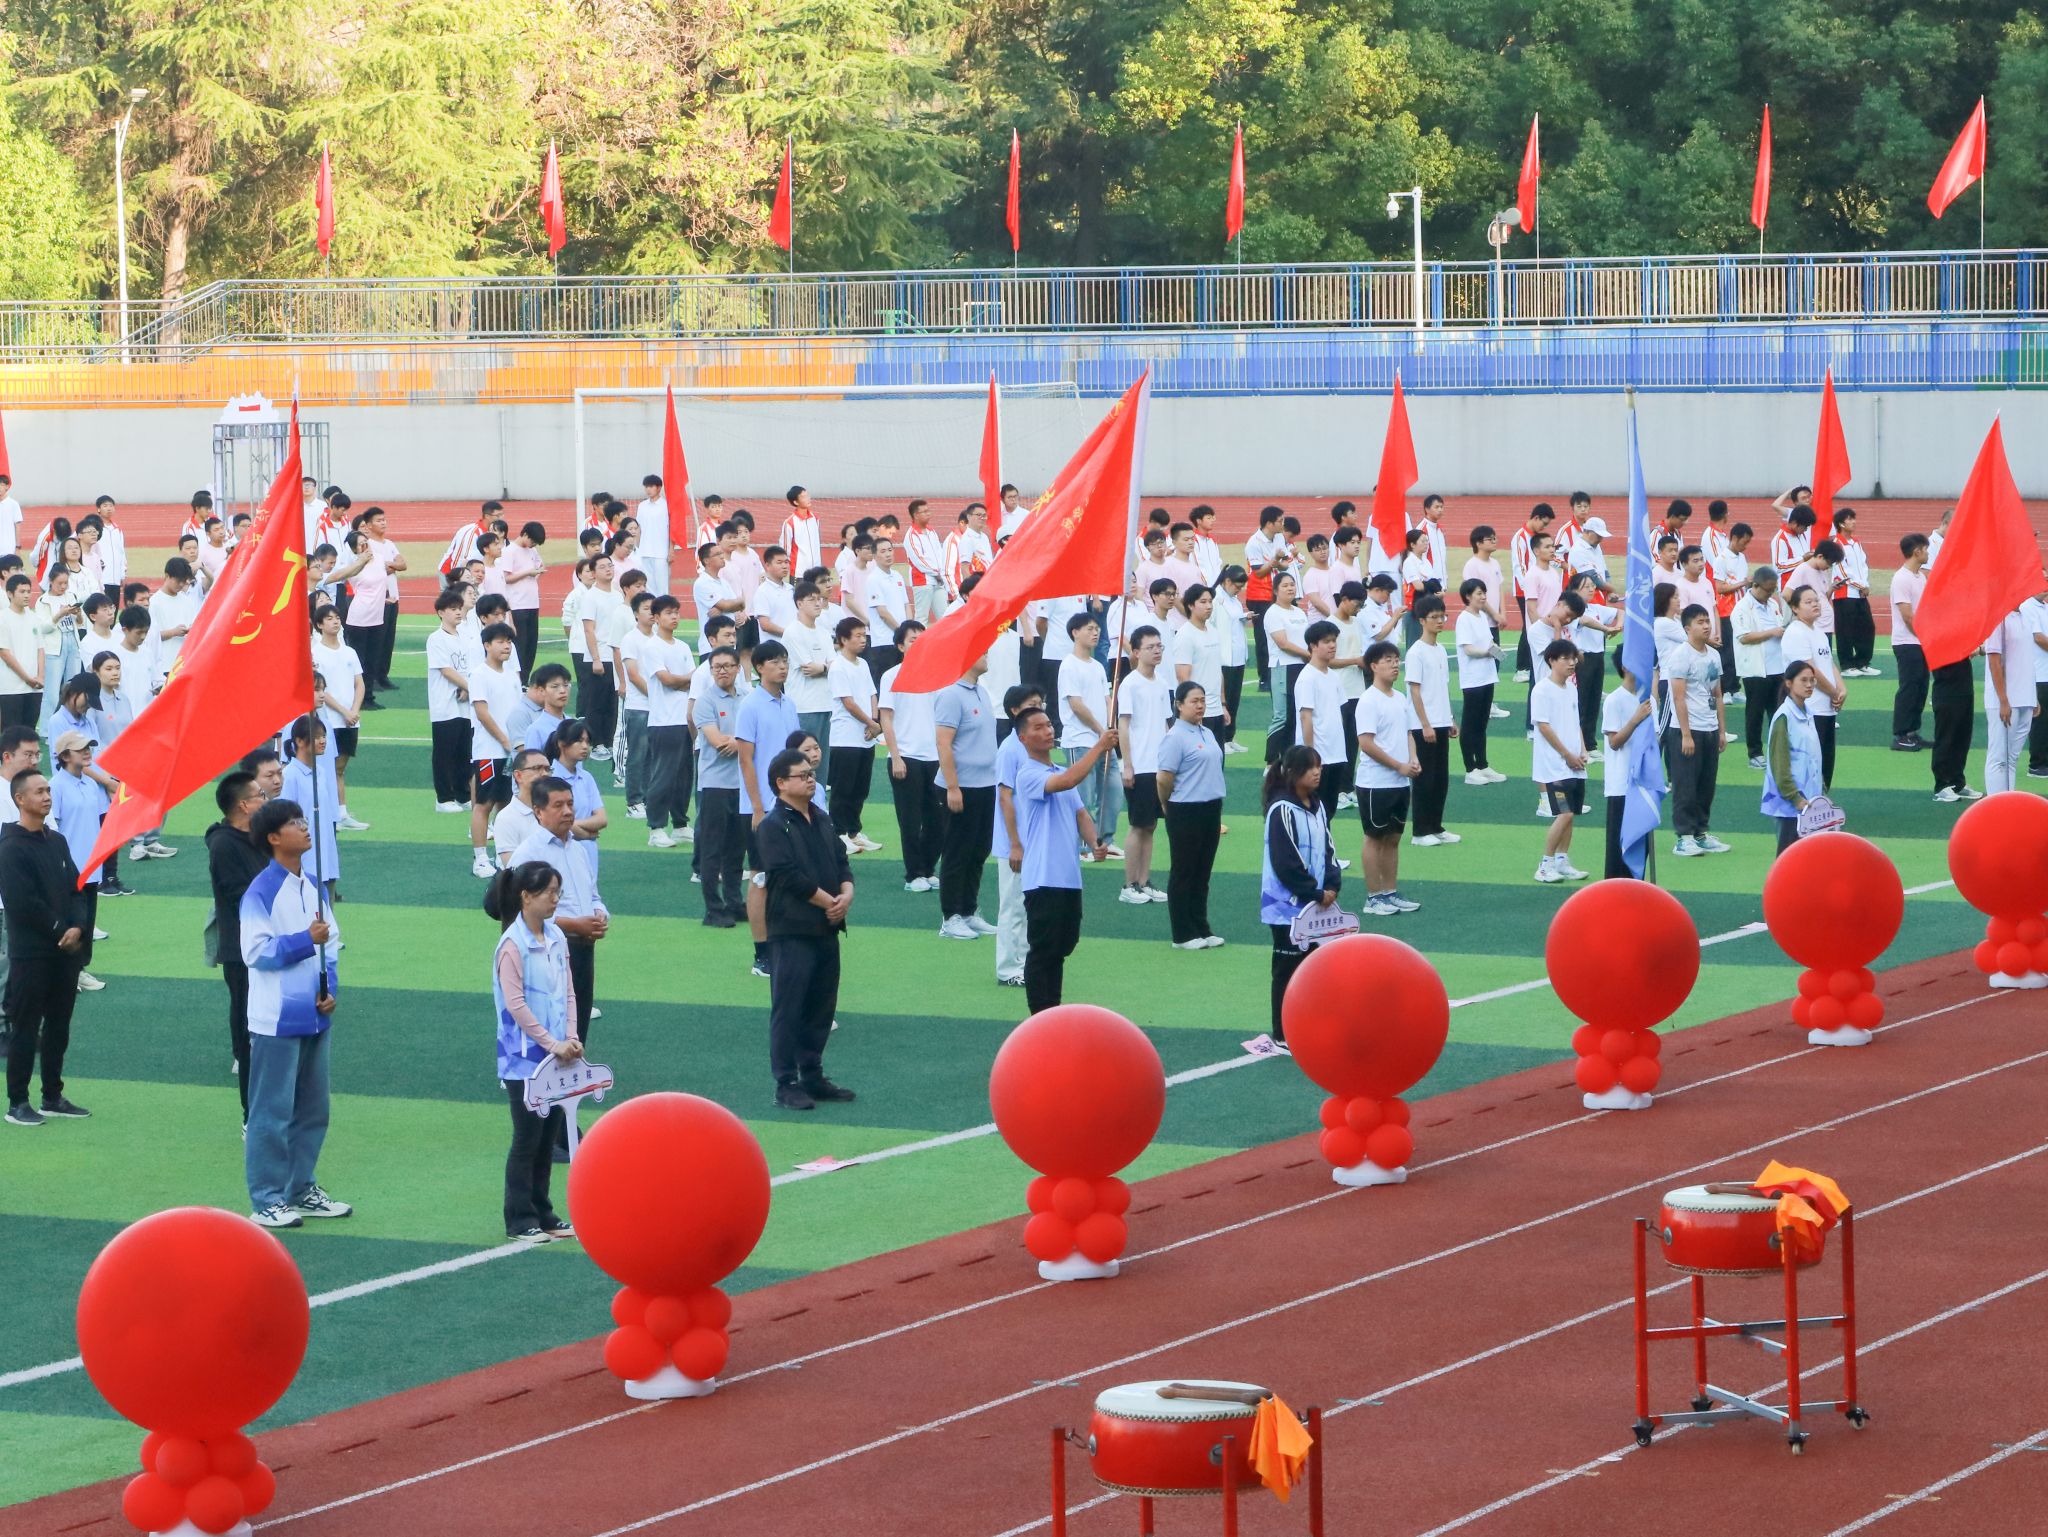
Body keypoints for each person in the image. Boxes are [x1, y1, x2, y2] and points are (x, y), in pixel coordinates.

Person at [240, 797, 349, 1226]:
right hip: (276, 1020)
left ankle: (300, 1188)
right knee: (271, 1111)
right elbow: (256, 952)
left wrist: (329, 990)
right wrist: (306, 939)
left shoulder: (314, 885)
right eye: (294, 823)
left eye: (304, 821)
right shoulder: (261, 891)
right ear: (273, 838)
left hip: (315, 1014)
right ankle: (266, 1199)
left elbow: (333, 946)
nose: (305, 828)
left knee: (313, 1108)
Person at [484, 861, 579, 1243]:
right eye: (549, 893)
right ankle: (519, 1218)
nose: (556, 899)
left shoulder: (556, 937)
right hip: (523, 1060)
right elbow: (515, 1005)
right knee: (527, 1138)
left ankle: (544, 1212)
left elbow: (569, 992)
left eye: (557, 892)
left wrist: (570, 1037)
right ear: (526, 897)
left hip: (557, 1055)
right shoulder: (512, 944)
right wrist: (552, 1043)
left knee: (548, 1136)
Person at [758, 748, 855, 1109]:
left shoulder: (822, 818)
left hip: (827, 927)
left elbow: (841, 862)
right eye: (803, 775)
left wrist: (846, 893)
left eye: (812, 772)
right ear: (782, 783)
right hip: (792, 929)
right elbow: (786, 876)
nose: (811, 778)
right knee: (789, 1007)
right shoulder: (772, 825)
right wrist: (830, 902)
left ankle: (812, 1074)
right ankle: (785, 1082)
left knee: (821, 1005)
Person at [1, 770, 91, 1126]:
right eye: (38, 791)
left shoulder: (57, 841)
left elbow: (76, 888)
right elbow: (23, 903)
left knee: (59, 1026)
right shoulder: (9, 848)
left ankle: (52, 1096)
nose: (47, 796)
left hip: (62, 954)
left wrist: (80, 927)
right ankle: (17, 1102)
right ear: (20, 799)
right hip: (31, 954)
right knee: (26, 1028)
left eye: (48, 790)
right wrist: (61, 929)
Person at [1012, 708, 1115, 1010]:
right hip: (1043, 877)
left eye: (1048, 725)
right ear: (1023, 737)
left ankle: (1050, 1011)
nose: (1047, 731)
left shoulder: (1057, 771)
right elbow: (1069, 782)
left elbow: (1080, 812)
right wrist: (1099, 746)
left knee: (1061, 947)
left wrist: (1095, 841)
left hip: (1067, 877)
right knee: (1044, 950)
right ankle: (1040, 1015)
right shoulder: (1029, 774)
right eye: (1038, 727)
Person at [510, 777, 608, 1051]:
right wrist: (575, 924)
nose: (567, 811)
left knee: (578, 1026)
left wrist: (600, 915)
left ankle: (571, 1087)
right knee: (548, 1025)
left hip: (584, 948)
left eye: (570, 804)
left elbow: (593, 896)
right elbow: (520, 913)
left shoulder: (578, 849)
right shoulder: (529, 853)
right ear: (539, 811)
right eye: (558, 805)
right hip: (548, 953)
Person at [1260, 746, 1341, 1047]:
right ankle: (1282, 1033)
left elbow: (1328, 848)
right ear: (1293, 773)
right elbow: (1285, 862)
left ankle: (1309, 1025)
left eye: (1318, 766)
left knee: (1315, 967)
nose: (1317, 772)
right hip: (1287, 907)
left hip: (1317, 902)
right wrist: (1315, 892)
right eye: (1310, 768)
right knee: (1287, 968)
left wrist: (1332, 884)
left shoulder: (1318, 806)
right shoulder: (1281, 809)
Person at [735, 639, 801, 976]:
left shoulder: (789, 704)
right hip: (762, 807)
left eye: (785, 660)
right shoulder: (750, 706)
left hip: (792, 805)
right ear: (760, 667)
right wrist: (758, 807)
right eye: (775, 661)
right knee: (760, 876)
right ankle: (761, 954)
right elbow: (746, 761)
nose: (782, 666)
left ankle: (782, 944)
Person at [207, 771, 270, 1123]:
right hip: (243, 952)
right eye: (261, 794)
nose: (266, 799)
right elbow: (241, 897)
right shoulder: (224, 845)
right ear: (244, 804)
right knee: (251, 1035)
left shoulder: (260, 838)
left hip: (267, 947)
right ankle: (252, 1114)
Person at [934, 656, 1000, 940]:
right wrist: (952, 787)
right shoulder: (950, 695)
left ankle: (969, 911)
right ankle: (950, 917)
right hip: (961, 786)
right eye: (981, 652)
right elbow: (943, 743)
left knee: (979, 850)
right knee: (957, 852)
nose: (986, 656)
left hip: (986, 785)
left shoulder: (982, 691)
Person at [1156, 682, 1226, 950]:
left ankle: (1201, 927)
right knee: (1184, 870)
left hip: (1210, 807)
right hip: (1185, 808)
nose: (1199, 705)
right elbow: (1164, 778)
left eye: (1202, 701)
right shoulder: (1175, 737)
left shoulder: (1206, 731)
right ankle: (1182, 933)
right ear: (1180, 705)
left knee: (1202, 871)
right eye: (1194, 701)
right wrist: (1167, 805)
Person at [1353, 641, 1419, 916]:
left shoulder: (1400, 698)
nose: (1395, 665)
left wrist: (1413, 760)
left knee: (1393, 838)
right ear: (1373, 666)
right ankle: (1373, 897)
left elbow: (1407, 734)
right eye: (1388, 660)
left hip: (1399, 781)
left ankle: (1390, 892)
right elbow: (1366, 743)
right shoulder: (1368, 700)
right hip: (1375, 782)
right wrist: (1398, 766)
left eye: (1396, 660)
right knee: (1374, 837)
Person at [878, 622, 942, 894]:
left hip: (935, 757)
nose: (920, 643)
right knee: (910, 819)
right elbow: (886, 718)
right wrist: (896, 757)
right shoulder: (892, 676)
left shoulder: (937, 676)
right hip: (906, 756)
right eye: (913, 640)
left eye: (923, 638)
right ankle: (913, 873)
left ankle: (928, 869)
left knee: (937, 819)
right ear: (900, 646)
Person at [992, 684, 1047, 988]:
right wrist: (1015, 843)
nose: (1038, 708)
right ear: (1015, 712)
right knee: (1013, 905)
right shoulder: (1010, 750)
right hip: (1015, 842)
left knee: (1029, 904)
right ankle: (1008, 968)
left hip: (1034, 839)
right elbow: (1005, 797)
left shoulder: (1033, 746)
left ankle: (1025, 962)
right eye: (1031, 705)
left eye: (1040, 703)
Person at [1665, 604, 1729, 857]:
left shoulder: (1713, 655)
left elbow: (1717, 693)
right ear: (1687, 627)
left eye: (1707, 621)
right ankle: (1684, 836)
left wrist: (1721, 729)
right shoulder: (1681, 656)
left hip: (1709, 728)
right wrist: (1686, 734)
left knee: (1706, 784)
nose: (1706, 625)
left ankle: (1701, 832)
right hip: (1686, 731)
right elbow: (1679, 698)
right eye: (1700, 622)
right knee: (1685, 785)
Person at [1115, 626, 1172, 903]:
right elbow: (1122, 725)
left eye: (1159, 646)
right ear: (1136, 652)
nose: (1157, 651)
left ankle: (1144, 880)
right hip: (1139, 764)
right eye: (1151, 647)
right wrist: (1128, 764)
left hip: (1158, 765)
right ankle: (1128, 886)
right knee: (1138, 824)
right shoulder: (1130, 684)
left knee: (1151, 825)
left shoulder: (1162, 683)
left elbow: (1165, 723)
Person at [1057, 613, 1123, 854]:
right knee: (1083, 797)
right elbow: (1076, 704)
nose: (1095, 632)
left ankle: (1104, 840)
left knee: (1113, 792)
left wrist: (1110, 723)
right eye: (1089, 628)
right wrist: (1100, 729)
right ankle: (1084, 844)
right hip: (1080, 740)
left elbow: (1107, 698)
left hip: (1103, 740)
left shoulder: (1097, 666)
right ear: (1075, 632)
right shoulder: (1069, 665)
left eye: (1097, 628)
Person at [691, 645, 747, 927]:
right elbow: (718, 743)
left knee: (737, 849)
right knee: (712, 849)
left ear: (738, 668)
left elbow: (754, 737)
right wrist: (743, 742)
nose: (722, 670)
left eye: (728, 665)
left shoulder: (747, 698)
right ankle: (713, 907)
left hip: (742, 785)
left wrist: (738, 742)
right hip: (714, 785)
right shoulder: (706, 701)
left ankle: (735, 902)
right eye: (717, 667)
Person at [48, 731, 108, 993]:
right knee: (70, 923)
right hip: (69, 869)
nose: (87, 751)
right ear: (63, 756)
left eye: (88, 747)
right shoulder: (56, 786)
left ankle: (80, 969)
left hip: (92, 867)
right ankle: (69, 973)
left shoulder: (91, 785)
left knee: (87, 921)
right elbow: (53, 828)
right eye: (80, 748)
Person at [1530, 638, 1590, 883]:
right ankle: (1545, 864)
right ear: (1552, 661)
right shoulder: (1542, 690)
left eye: (1573, 658)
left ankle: (1562, 860)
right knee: (1563, 814)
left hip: (1574, 763)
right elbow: (1543, 726)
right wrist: (1567, 755)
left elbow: (1575, 722)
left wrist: (1583, 749)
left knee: (1572, 812)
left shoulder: (1571, 688)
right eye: (1565, 658)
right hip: (1555, 766)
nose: (1571, 663)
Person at [466, 622, 523, 879]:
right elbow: (482, 712)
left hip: (510, 751)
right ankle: (480, 858)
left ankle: (504, 856)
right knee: (484, 804)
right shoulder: (479, 674)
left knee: (507, 803)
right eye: (500, 641)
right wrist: (504, 740)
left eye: (508, 641)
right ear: (487, 645)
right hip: (489, 751)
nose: (506, 646)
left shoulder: (512, 675)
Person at [826, 617, 883, 855]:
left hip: (865, 737)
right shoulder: (838, 666)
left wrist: (875, 721)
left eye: (864, 635)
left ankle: (853, 831)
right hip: (845, 738)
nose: (863, 640)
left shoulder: (863, 664)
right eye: (858, 636)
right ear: (843, 640)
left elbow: (871, 693)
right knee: (843, 788)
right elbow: (848, 703)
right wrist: (872, 723)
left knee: (860, 788)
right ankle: (838, 833)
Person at [1404, 595, 1457, 845]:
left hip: (1440, 721)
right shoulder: (1416, 652)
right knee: (1425, 779)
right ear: (1421, 620)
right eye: (1434, 617)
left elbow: (1442, 688)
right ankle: (1420, 831)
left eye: (1442, 616)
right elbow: (1415, 691)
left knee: (1441, 778)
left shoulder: (1441, 649)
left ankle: (1436, 826)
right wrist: (1425, 724)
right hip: (1422, 724)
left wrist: (1449, 719)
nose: (1439, 621)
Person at [1780, 586, 1844, 790]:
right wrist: (1834, 692)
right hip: (1809, 709)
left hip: (1825, 707)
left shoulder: (1817, 632)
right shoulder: (1795, 633)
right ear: (1795, 608)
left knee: (1826, 760)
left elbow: (1829, 663)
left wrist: (1842, 689)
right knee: (1810, 762)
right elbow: (1810, 670)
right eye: (1808, 601)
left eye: (1816, 600)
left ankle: (1821, 806)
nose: (1815, 604)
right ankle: (1809, 808)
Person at [1762, 662, 1826, 854]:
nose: (1809, 685)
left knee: (1807, 858)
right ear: (1789, 683)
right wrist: (1794, 798)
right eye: (1803, 680)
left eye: (1812, 680)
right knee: (1788, 859)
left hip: (1809, 801)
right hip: (1791, 804)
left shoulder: (1807, 713)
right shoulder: (1784, 717)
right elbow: (1779, 764)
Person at [1600, 660, 1656, 878]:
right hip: (1621, 785)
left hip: (1642, 784)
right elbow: (1614, 742)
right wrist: (1636, 719)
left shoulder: (1647, 700)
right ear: (1625, 667)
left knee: (1641, 848)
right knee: (1619, 850)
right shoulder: (1614, 700)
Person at [1731, 568, 1788, 767]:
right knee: (1755, 712)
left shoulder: (1772, 604)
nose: (1770, 594)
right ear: (1755, 585)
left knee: (1778, 711)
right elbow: (1744, 637)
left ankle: (1779, 751)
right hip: (1755, 669)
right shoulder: (1742, 608)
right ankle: (1754, 753)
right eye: (1768, 589)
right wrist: (1771, 632)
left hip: (1777, 667)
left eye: (1773, 589)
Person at [426, 588, 476, 812]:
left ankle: (462, 794)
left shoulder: (464, 637)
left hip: (464, 704)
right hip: (444, 704)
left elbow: (471, 667)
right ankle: (443, 798)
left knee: (463, 751)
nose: (458, 612)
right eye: (453, 609)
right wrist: (469, 687)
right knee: (444, 752)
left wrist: (468, 688)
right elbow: (446, 670)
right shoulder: (436, 639)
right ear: (440, 613)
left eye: (459, 608)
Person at [1294, 620, 1349, 823]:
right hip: (1318, 756)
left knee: (1329, 809)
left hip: (1335, 753)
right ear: (1313, 646)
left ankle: (1327, 854)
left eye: (1334, 641)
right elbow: (1305, 717)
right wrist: (1310, 754)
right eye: (1327, 641)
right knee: (1314, 809)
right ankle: (1317, 854)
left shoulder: (1333, 676)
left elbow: (1338, 712)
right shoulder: (1307, 678)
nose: (1332, 645)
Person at [1984, 601, 2039, 797]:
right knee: (1999, 757)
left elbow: (2026, 659)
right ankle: (1995, 804)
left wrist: (2033, 697)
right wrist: (2003, 700)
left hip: (2025, 698)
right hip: (2006, 701)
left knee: (2012, 757)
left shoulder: (2024, 615)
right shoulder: (1998, 618)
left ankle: (2007, 800)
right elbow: (1994, 661)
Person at [1455, 578, 1504, 785]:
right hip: (1473, 679)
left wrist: (1494, 650)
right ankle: (1470, 768)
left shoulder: (1482, 616)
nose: (1483, 597)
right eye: (1478, 593)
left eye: (1484, 593)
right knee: (1470, 724)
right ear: (1468, 596)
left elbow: (1488, 641)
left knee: (1482, 723)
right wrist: (1487, 652)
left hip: (1487, 676)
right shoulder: (1464, 619)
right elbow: (1468, 648)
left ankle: (1483, 764)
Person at [1889, 533, 1931, 752]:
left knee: (1921, 686)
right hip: (1907, 642)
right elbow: (1907, 615)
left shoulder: (1919, 577)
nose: (1928, 552)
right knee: (1909, 687)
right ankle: (1900, 734)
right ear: (1917, 551)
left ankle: (1912, 731)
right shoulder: (1902, 578)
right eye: (1925, 549)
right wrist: (1923, 636)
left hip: (1919, 642)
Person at [1263, 572, 1311, 760]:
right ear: (1275, 590)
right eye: (1285, 585)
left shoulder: (1299, 612)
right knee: (1282, 716)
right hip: (1283, 667)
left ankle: (1289, 758)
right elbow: (1282, 643)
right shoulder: (1273, 613)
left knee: (1296, 714)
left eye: (1292, 584)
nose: (1290, 588)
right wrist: (1308, 655)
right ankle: (1271, 760)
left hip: (1301, 666)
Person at [1830, 509, 1877, 675]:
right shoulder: (1837, 543)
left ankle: (1862, 662)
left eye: (1854, 519)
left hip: (1860, 594)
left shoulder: (1857, 542)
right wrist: (1859, 585)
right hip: (1844, 594)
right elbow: (1842, 570)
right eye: (1850, 519)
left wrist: (1865, 584)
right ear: (1841, 524)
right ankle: (1847, 665)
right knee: (1846, 629)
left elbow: (1863, 565)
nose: (1854, 522)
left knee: (1866, 627)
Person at [0, 573, 46, 729]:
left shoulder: (34, 618)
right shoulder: (3, 618)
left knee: (29, 731)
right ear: (9, 594)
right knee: (11, 734)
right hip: (11, 688)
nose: (27, 595)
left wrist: (40, 677)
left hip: (34, 687)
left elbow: (40, 649)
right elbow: (5, 654)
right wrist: (27, 678)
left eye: (28, 591)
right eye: (22, 592)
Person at [490, 750, 549, 868]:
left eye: (547, 769)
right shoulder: (506, 818)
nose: (545, 774)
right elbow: (513, 868)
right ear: (518, 775)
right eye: (537, 768)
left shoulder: (552, 811)